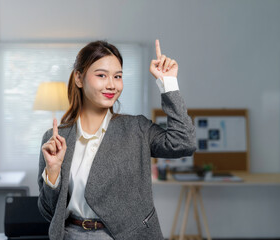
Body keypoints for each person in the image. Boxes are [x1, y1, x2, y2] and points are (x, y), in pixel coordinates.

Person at [38, 39, 196, 240]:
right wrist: (52, 171)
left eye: (118, 76)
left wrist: (168, 83)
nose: (111, 84)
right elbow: (48, 212)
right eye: (101, 75)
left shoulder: (136, 129)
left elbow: (184, 142)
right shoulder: (56, 139)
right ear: (79, 78)